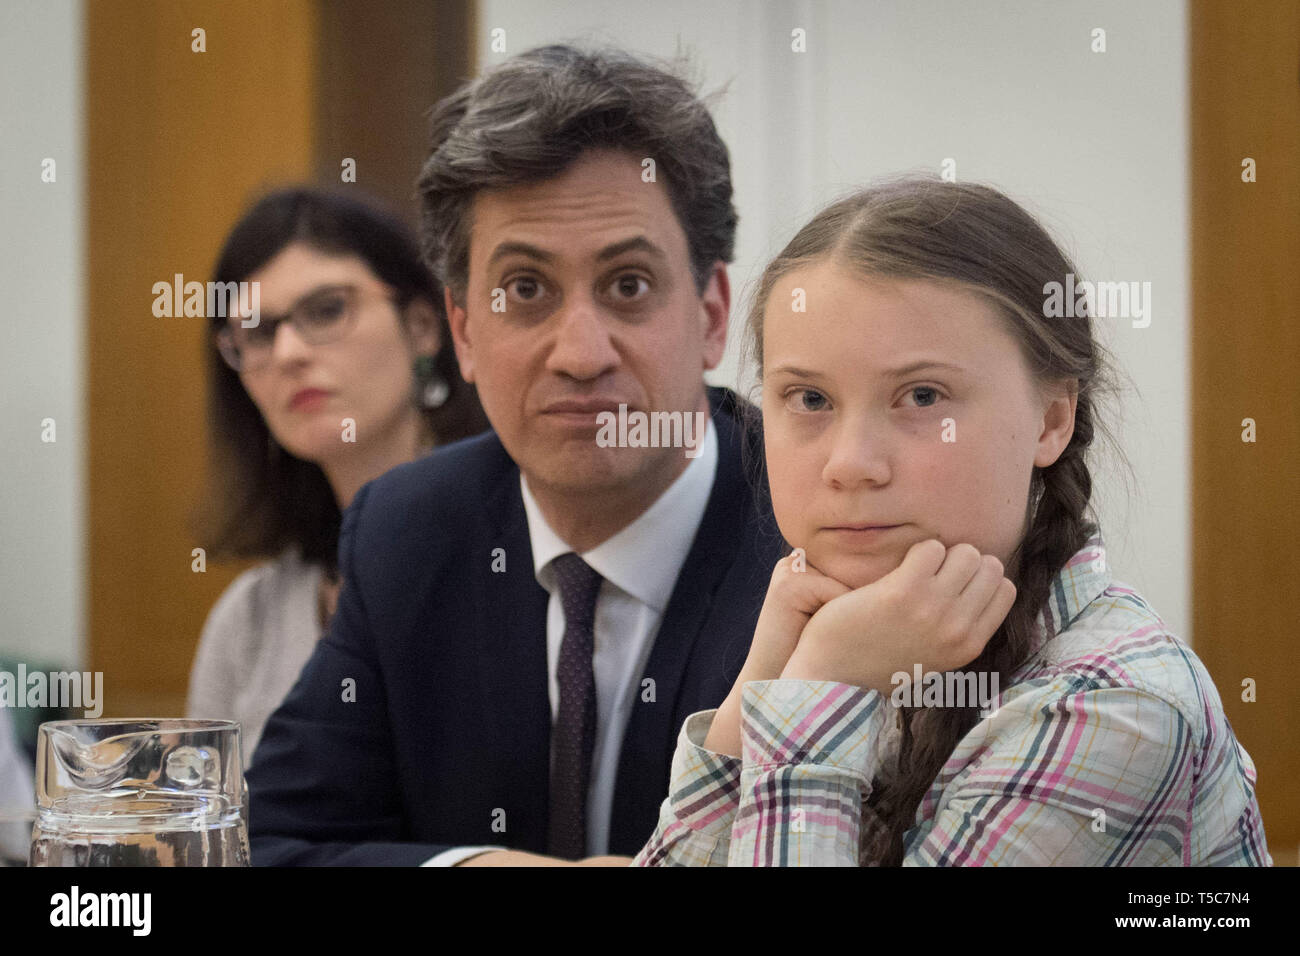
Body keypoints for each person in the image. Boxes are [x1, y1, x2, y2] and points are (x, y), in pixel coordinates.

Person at [245, 44, 787, 865]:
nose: (579, 352)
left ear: (713, 314)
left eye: (629, 285)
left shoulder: (814, 532)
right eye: (526, 289)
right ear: (462, 331)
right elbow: (275, 842)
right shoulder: (406, 529)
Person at [634, 177, 1272, 866]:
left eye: (922, 395)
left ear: (1052, 419)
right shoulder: (881, 632)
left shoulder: (1109, 709)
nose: (851, 465)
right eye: (810, 397)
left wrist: (820, 682)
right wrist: (760, 688)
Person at [188, 187, 489, 766]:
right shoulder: (248, 617)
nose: (288, 353)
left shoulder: (523, 552)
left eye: (326, 310)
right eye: (256, 333)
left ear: (424, 325)